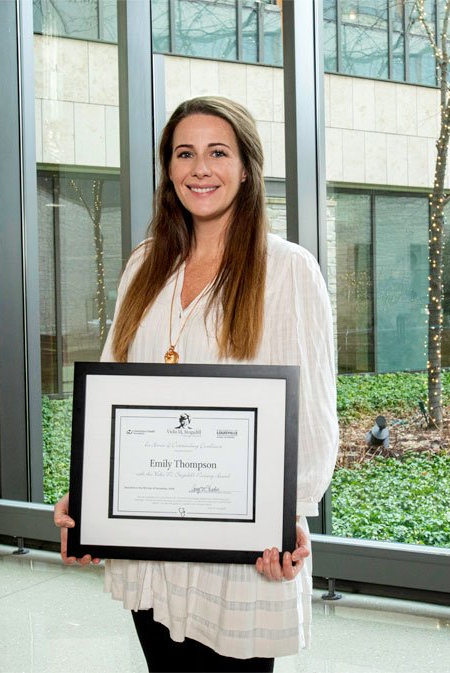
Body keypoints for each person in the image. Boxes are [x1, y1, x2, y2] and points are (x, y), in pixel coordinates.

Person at [53, 96, 338, 672]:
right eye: (185, 154)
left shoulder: (286, 270)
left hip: (240, 553)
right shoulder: (145, 265)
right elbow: (116, 389)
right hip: (151, 547)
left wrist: (289, 518)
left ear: (245, 167)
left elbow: (310, 410)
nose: (199, 168)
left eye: (217, 152)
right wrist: (88, 495)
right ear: (169, 170)